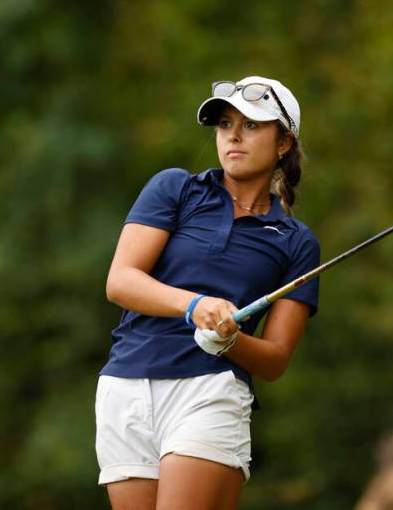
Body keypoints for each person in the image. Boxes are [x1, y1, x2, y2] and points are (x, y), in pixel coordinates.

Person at [96, 76, 321, 510]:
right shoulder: (176, 189)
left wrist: (229, 340)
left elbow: (275, 360)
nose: (233, 135)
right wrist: (195, 306)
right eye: (224, 124)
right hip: (125, 387)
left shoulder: (295, 241)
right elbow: (121, 281)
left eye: (252, 125)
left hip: (208, 391)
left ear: (283, 143)